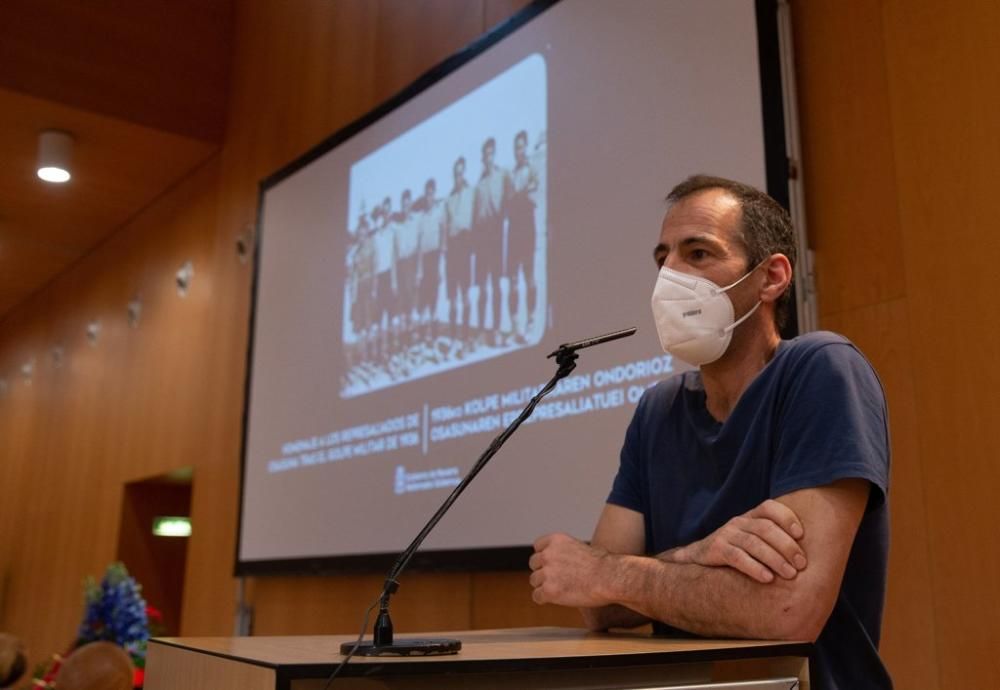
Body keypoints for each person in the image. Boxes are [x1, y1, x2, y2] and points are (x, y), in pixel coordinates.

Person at [529, 175, 892, 689]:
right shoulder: (658, 410)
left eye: (698, 254)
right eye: (663, 259)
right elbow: (600, 609)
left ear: (771, 278)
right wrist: (694, 555)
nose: (670, 276)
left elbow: (786, 609)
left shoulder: (821, 369)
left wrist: (610, 573)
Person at [471, 136, 512, 344]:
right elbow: (476, 214)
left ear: (493, 154)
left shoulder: (502, 175)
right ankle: (482, 330)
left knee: (496, 285)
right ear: (482, 157)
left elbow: (507, 203)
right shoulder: (479, 184)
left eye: (490, 153)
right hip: (481, 239)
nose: (487, 157)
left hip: (496, 234)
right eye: (484, 154)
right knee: (482, 287)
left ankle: (496, 328)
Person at [506, 130, 540, 339]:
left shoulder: (532, 170)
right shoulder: (510, 175)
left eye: (521, 147)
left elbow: (534, 195)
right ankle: (514, 324)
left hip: (527, 228)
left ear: (525, 147)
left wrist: (522, 195)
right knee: (512, 280)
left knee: (529, 277)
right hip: (513, 231)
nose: (518, 151)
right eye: (515, 148)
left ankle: (530, 321)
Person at [445, 156, 475, 350]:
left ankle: (465, 336)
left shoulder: (470, 193)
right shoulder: (449, 199)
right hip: (452, 249)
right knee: (453, 296)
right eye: (456, 174)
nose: (459, 177)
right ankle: (455, 337)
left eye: (461, 173)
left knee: (465, 294)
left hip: (465, 245)